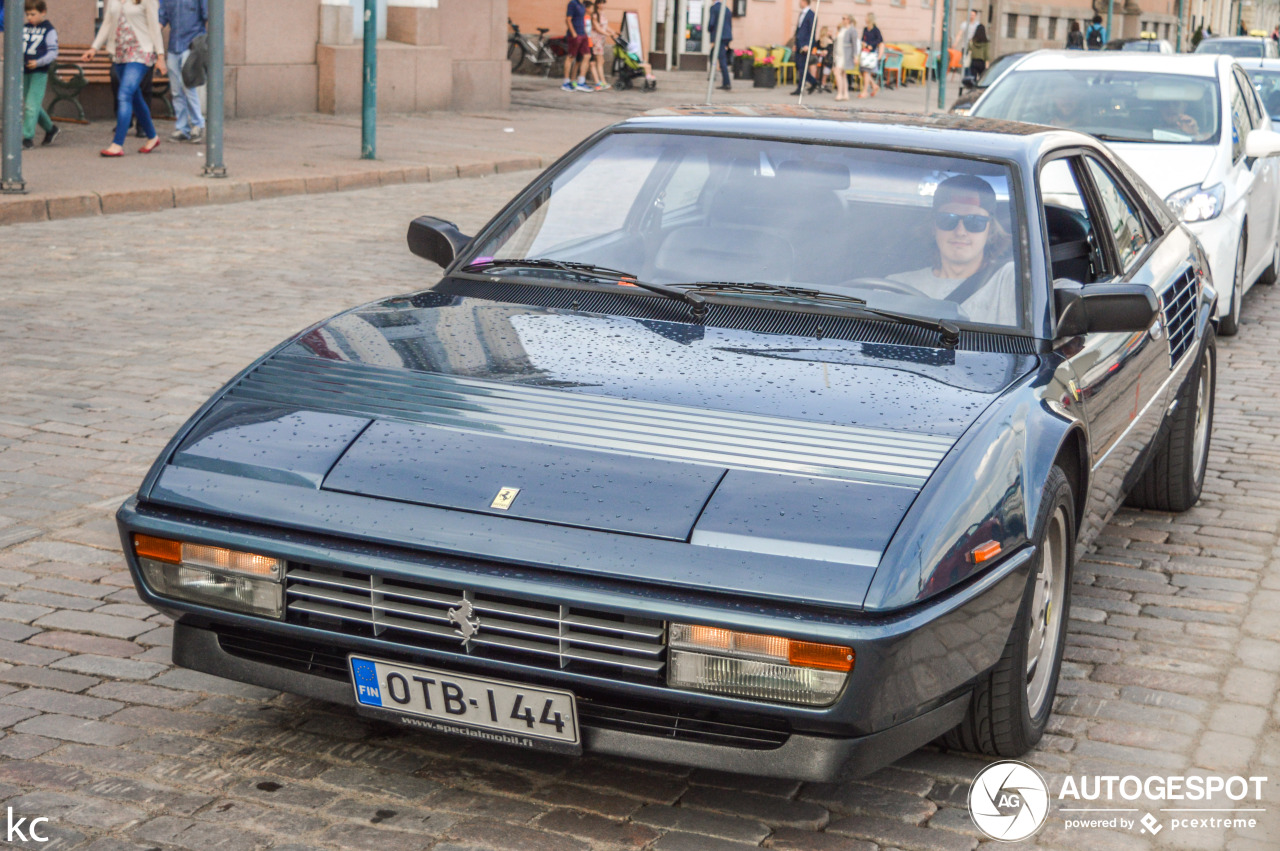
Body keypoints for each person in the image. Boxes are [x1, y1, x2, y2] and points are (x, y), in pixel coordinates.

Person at [889, 175, 1016, 326]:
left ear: (991, 229)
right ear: (933, 227)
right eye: (948, 220)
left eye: (975, 222)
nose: (960, 231)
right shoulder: (896, 286)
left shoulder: (1011, 278)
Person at [83, 0, 167, 156]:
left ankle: (117, 144)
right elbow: (107, 24)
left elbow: (154, 27)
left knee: (125, 94)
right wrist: (94, 48)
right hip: (119, 54)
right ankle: (153, 137)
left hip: (141, 52)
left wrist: (160, 56)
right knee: (135, 97)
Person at [159, 0, 206, 142]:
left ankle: (198, 124)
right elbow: (161, 18)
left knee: (188, 86)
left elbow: (208, 17)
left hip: (192, 45)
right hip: (174, 46)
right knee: (176, 90)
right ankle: (182, 128)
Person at [21, 0, 59, 149]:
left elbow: (53, 52)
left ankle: (27, 138)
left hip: (39, 72)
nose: (29, 17)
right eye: (27, 14)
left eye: (33, 14)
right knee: (32, 104)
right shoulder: (24, 28)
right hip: (24, 71)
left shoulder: (49, 30)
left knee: (31, 106)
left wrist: (39, 62)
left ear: (43, 12)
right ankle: (51, 129)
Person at [561, 0, 592, 92]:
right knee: (571, 57)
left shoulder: (582, 5)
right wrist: (574, 33)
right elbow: (568, 19)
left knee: (587, 56)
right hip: (575, 35)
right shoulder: (572, 3)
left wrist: (585, 33)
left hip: (583, 34)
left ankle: (581, 82)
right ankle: (566, 83)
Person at [791, 0, 818, 95]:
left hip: (805, 45)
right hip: (798, 44)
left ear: (804, 1)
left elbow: (812, 31)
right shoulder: (801, 14)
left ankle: (800, 88)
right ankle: (813, 82)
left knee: (802, 67)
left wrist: (808, 45)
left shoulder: (811, 15)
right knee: (798, 66)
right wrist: (795, 43)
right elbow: (798, 30)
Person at [708, 0, 733, 91]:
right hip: (726, 37)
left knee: (722, 60)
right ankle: (713, 76)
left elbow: (711, 23)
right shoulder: (726, 9)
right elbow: (729, 24)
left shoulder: (714, 8)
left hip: (719, 37)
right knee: (714, 55)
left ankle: (726, 83)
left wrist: (711, 33)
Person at [834, 15, 858, 102]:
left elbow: (854, 44)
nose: (843, 20)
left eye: (844, 18)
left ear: (848, 20)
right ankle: (845, 94)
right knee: (843, 74)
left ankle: (840, 93)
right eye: (842, 18)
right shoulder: (842, 29)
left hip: (845, 55)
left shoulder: (852, 30)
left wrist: (855, 56)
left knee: (837, 72)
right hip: (839, 54)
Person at [859, 13, 883, 99]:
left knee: (866, 71)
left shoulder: (876, 30)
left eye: (866, 17)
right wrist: (863, 43)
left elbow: (880, 40)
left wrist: (872, 45)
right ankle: (874, 85)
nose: (865, 19)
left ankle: (865, 91)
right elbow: (863, 38)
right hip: (864, 52)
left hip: (871, 53)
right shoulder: (865, 29)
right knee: (863, 72)